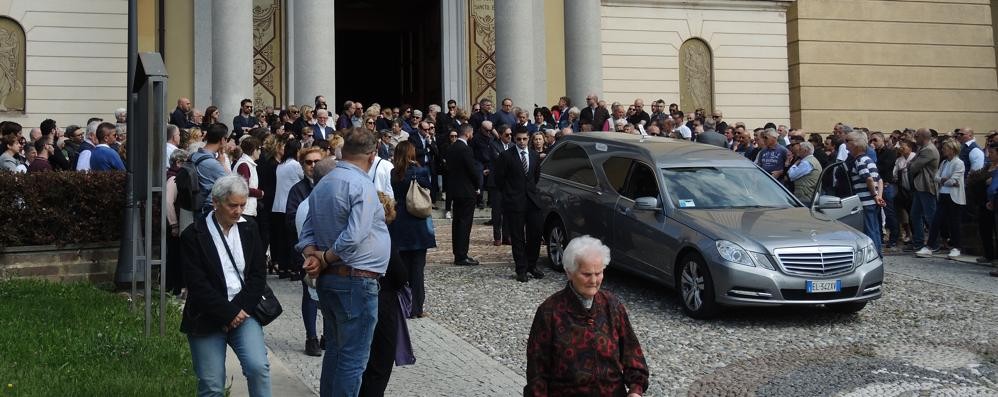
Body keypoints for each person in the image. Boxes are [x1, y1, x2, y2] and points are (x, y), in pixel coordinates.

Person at [297, 127, 391, 397]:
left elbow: (306, 232)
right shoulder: (361, 184)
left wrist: (312, 255)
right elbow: (355, 235)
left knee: (336, 352)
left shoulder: (323, 182)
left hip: (333, 279)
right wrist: (323, 257)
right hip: (356, 278)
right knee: (353, 358)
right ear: (372, 156)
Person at [180, 175, 271, 397]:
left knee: (258, 367)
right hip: (206, 316)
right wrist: (228, 313)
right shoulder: (193, 235)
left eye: (242, 205)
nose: (238, 211)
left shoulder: (250, 227)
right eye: (233, 205)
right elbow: (197, 284)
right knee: (211, 385)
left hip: (244, 312)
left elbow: (258, 274)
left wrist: (240, 311)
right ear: (216, 202)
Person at [525, 235, 648, 396]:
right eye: (587, 274)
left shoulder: (612, 306)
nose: (594, 280)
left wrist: (635, 391)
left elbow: (633, 357)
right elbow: (537, 374)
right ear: (569, 272)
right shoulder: (550, 312)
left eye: (599, 273)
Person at [389, 141, 437, 318]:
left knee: (401, 267)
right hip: (418, 223)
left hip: (399, 221)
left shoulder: (394, 173)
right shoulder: (420, 171)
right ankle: (417, 307)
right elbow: (429, 188)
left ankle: (402, 304)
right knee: (417, 269)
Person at [284, 147, 324, 357]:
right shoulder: (298, 190)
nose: (313, 166)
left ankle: (327, 334)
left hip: (325, 250)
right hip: (305, 249)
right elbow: (290, 218)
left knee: (327, 292)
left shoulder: (328, 186)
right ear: (302, 165)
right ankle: (311, 337)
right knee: (309, 293)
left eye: (317, 161)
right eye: (309, 162)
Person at [494, 127, 545, 282]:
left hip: (532, 200)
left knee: (535, 234)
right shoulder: (506, 156)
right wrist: (510, 194)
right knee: (517, 237)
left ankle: (532, 265)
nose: (522, 142)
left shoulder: (535, 156)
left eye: (524, 139)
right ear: (514, 139)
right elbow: (499, 179)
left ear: (528, 138)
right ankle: (521, 269)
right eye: (518, 139)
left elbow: (535, 177)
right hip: (514, 201)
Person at [916, 139, 966, 258]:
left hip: (954, 197)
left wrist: (945, 180)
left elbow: (954, 180)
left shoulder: (959, 163)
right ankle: (929, 246)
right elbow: (936, 177)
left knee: (954, 223)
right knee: (936, 221)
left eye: (945, 148)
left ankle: (956, 247)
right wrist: (945, 180)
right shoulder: (944, 163)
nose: (943, 150)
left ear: (952, 150)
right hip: (943, 195)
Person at [448, 124, 482, 266]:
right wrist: (477, 185)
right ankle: (462, 255)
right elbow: (472, 170)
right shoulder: (465, 149)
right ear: (468, 133)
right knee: (464, 224)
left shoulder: (452, 148)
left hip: (455, 190)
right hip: (467, 191)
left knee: (457, 223)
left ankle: (458, 253)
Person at [846, 131, 886, 253]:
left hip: (866, 202)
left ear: (855, 144)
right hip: (873, 201)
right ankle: (879, 253)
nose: (845, 144)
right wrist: (878, 196)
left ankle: (874, 255)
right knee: (875, 229)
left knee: (869, 230)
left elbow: (868, 178)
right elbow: (879, 180)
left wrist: (874, 196)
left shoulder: (859, 161)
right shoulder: (869, 159)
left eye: (847, 141)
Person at [273, 139, 303, 279]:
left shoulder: (280, 165)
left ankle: (283, 268)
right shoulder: (295, 165)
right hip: (291, 205)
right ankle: (294, 268)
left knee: (281, 240)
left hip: (278, 206)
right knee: (292, 239)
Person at [907, 128, 940, 252]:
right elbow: (912, 163)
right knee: (915, 215)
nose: (914, 138)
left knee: (930, 216)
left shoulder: (929, 150)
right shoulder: (923, 149)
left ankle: (934, 243)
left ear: (923, 137)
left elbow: (913, 166)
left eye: (916, 136)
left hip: (927, 186)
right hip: (920, 186)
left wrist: (911, 164)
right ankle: (919, 242)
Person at [165, 148, 189, 296]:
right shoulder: (173, 179)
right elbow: (168, 202)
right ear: (178, 162)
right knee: (175, 256)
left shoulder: (175, 176)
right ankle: (174, 286)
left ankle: (174, 285)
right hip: (174, 224)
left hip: (176, 222)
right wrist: (174, 224)